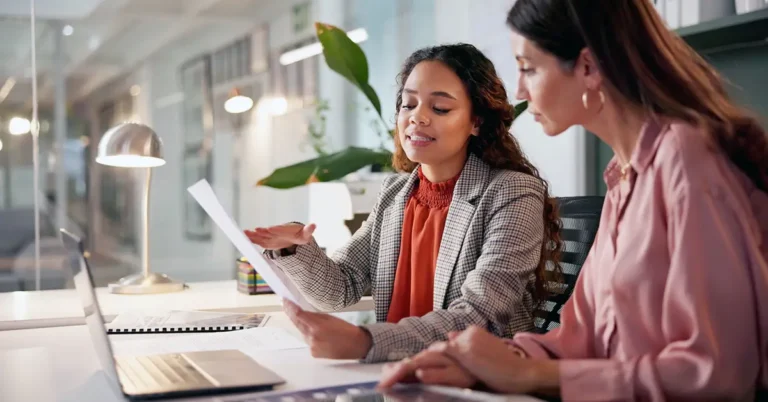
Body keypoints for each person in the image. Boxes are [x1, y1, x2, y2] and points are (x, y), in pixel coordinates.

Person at [378, 0, 768, 400]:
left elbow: (717, 374)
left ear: (587, 67)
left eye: (528, 68)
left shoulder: (686, 162)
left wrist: (529, 376)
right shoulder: (624, 177)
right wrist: (484, 359)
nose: (519, 91)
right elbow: (581, 340)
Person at [245, 43, 562, 363]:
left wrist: (364, 342)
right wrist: (295, 247)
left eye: (440, 108)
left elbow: (479, 316)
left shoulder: (512, 192)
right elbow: (340, 289)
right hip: (398, 376)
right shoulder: (396, 193)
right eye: (408, 104)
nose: (417, 118)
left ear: (476, 122)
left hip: (475, 380)